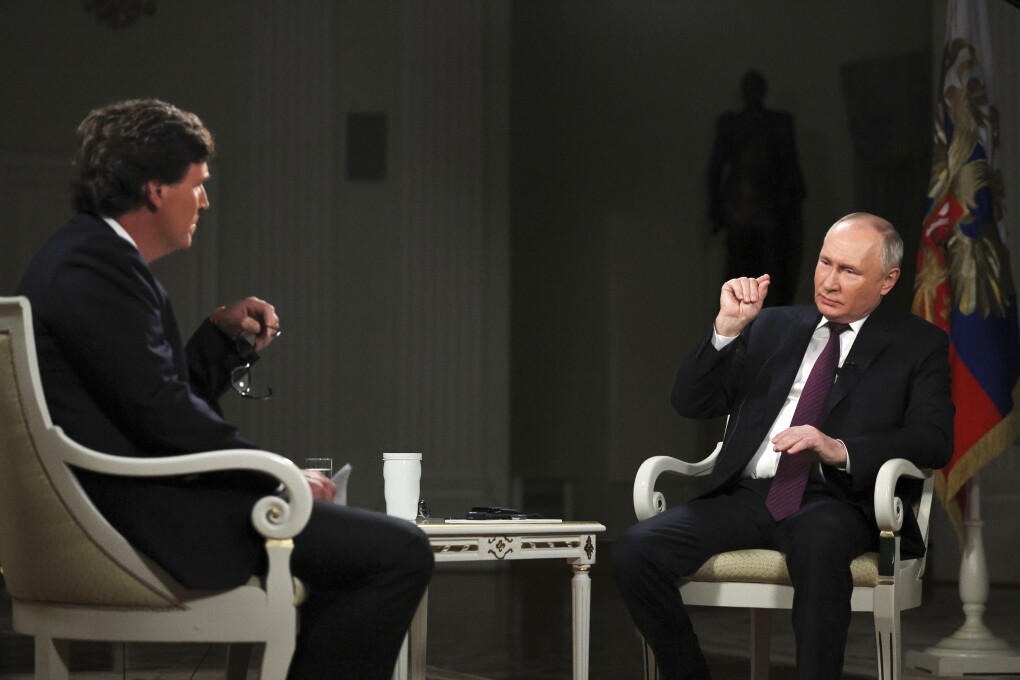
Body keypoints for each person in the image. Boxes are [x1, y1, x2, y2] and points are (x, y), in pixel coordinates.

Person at [15, 99, 433, 680]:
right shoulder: (95, 267)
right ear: (157, 189)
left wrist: (219, 338)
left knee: (363, 555)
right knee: (402, 550)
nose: (205, 201)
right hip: (137, 521)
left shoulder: (87, 256)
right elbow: (159, 415)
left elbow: (144, 397)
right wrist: (276, 475)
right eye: (198, 184)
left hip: (127, 503)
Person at [613, 213, 953, 679]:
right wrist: (726, 330)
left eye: (849, 271)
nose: (829, 282)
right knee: (635, 549)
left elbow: (934, 440)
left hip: (835, 502)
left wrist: (839, 449)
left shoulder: (919, 344)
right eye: (825, 263)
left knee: (819, 544)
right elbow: (691, 402)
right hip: (747, 497)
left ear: (887, 280)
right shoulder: (771, 326)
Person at [707, 69, 806, 306]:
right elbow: (715, 169)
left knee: (772, 277)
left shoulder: (778, 123)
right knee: (741, 276)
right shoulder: (732, 124)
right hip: (743, 211)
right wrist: (717, 209)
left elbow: (789, 166)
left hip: (768, 211)